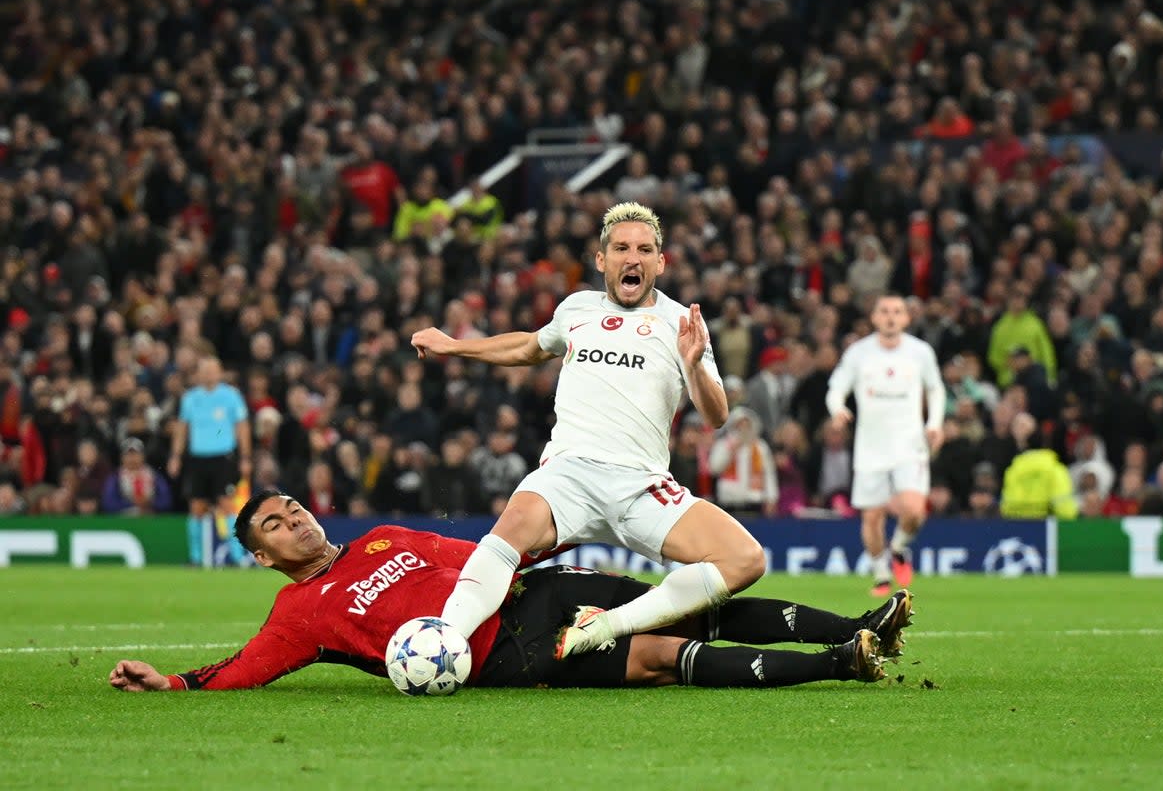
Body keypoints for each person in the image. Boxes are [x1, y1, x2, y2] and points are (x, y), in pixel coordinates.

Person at [410, 202, 765, 659]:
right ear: (602, 260)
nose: (632, 258)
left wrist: (694, 365)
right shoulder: (576, 308)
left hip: (642, 484)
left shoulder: (682, 324)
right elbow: (529, 347)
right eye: (620, 248)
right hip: (569, 475)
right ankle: (441, 641)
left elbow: (715, 415)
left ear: (661, 261)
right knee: (506, 534)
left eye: (644, 249)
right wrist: (454, 346)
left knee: (746, 559)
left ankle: (606, 627)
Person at [108, 492, 914, 693]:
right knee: (664, 657)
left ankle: (863, 619)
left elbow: (485, 551)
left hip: (536, 591)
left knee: (687, 599)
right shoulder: (300, 617)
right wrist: (174, 682)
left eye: (294, 508)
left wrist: (552, 538)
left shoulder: (385, 537)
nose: (296, 522)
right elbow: (244, 668)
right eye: (276, 527)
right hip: (510, 652)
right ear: (260, 557)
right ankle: (845, 661)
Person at [826, 295, 946, 596]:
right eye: (884, 311)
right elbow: (836, 387)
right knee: (872, 515)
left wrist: (934, 424)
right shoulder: (858, 352)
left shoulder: (920, 352)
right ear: (874, 317)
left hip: (909, 444)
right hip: (870, 447)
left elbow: (935, 389)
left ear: (906, 318)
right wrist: (837, 409)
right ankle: (881, 576)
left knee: (914, 510)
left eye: (897, 312)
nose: (890, 317)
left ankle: (899, 547)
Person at [167, 357, 252, 567]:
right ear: (198, 373)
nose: (208, 375)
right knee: (196, 507)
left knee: (227, 505)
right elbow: (182, 429)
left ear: (220, 372)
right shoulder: (190, 398)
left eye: (212, 370)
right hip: (198, 458)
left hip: (223, 457)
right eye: (204, 370)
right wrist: (175, 456)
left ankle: (237, 557)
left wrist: (245, 457)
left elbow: (242, 427)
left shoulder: (231, 396)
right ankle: (196, 558)